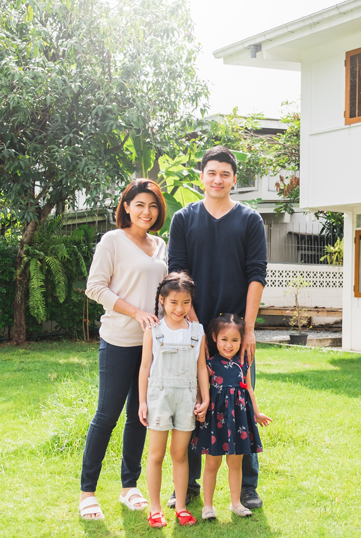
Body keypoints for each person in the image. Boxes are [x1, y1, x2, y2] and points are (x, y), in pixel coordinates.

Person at [167, 145, 268, 509]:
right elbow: (177, 273)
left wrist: (249, 330)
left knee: (239, 402)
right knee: (195, 405)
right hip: (193, 328)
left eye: (225, 173)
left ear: (234, 179)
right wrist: (194, 326)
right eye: (212, 172)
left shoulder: (250, 220)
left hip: (234, 335)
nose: (218, 179)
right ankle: (189, 484)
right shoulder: (183, 219)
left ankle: (247, 488)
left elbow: (257, 275)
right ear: (202, 177)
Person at [79, 179, 168, 521]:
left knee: (139, 416)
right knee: (107, 415)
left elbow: (166, 290)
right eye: (140, 204)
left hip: (152, 346)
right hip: (118, 340)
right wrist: (136, 312)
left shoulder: (161, 245)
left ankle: (129, 486)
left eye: (153, 206)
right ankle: (88, 493)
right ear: (127, 207)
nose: (147, 211)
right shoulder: (112, 241)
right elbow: (95, 287)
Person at [138, 272, 210, 528]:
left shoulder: (197, 331)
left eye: (186, 303)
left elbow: (202, 368)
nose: (180, 309)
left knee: (180, 454)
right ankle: (155, 508)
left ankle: (181, 506)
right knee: (156, 455)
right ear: (162, 300)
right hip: (159, 398)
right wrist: (142, 402)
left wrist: (205, 399)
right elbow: (145, 368)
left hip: (187, 399)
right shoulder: (153, 330)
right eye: (173, 303)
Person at [191, 314, 271, 519]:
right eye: (224, 339)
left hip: (239, 421)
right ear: (215, 338)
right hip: (215, 419)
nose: (229, 345)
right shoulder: (209, 363)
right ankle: (207, 506)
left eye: (235, 340)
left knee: (235, 464)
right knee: (212, 464)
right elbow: (202, 387)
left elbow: (249, 390)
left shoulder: (243, 363)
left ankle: (236, 503)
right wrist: (200, 404)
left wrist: (257, 412)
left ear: (241, 341)